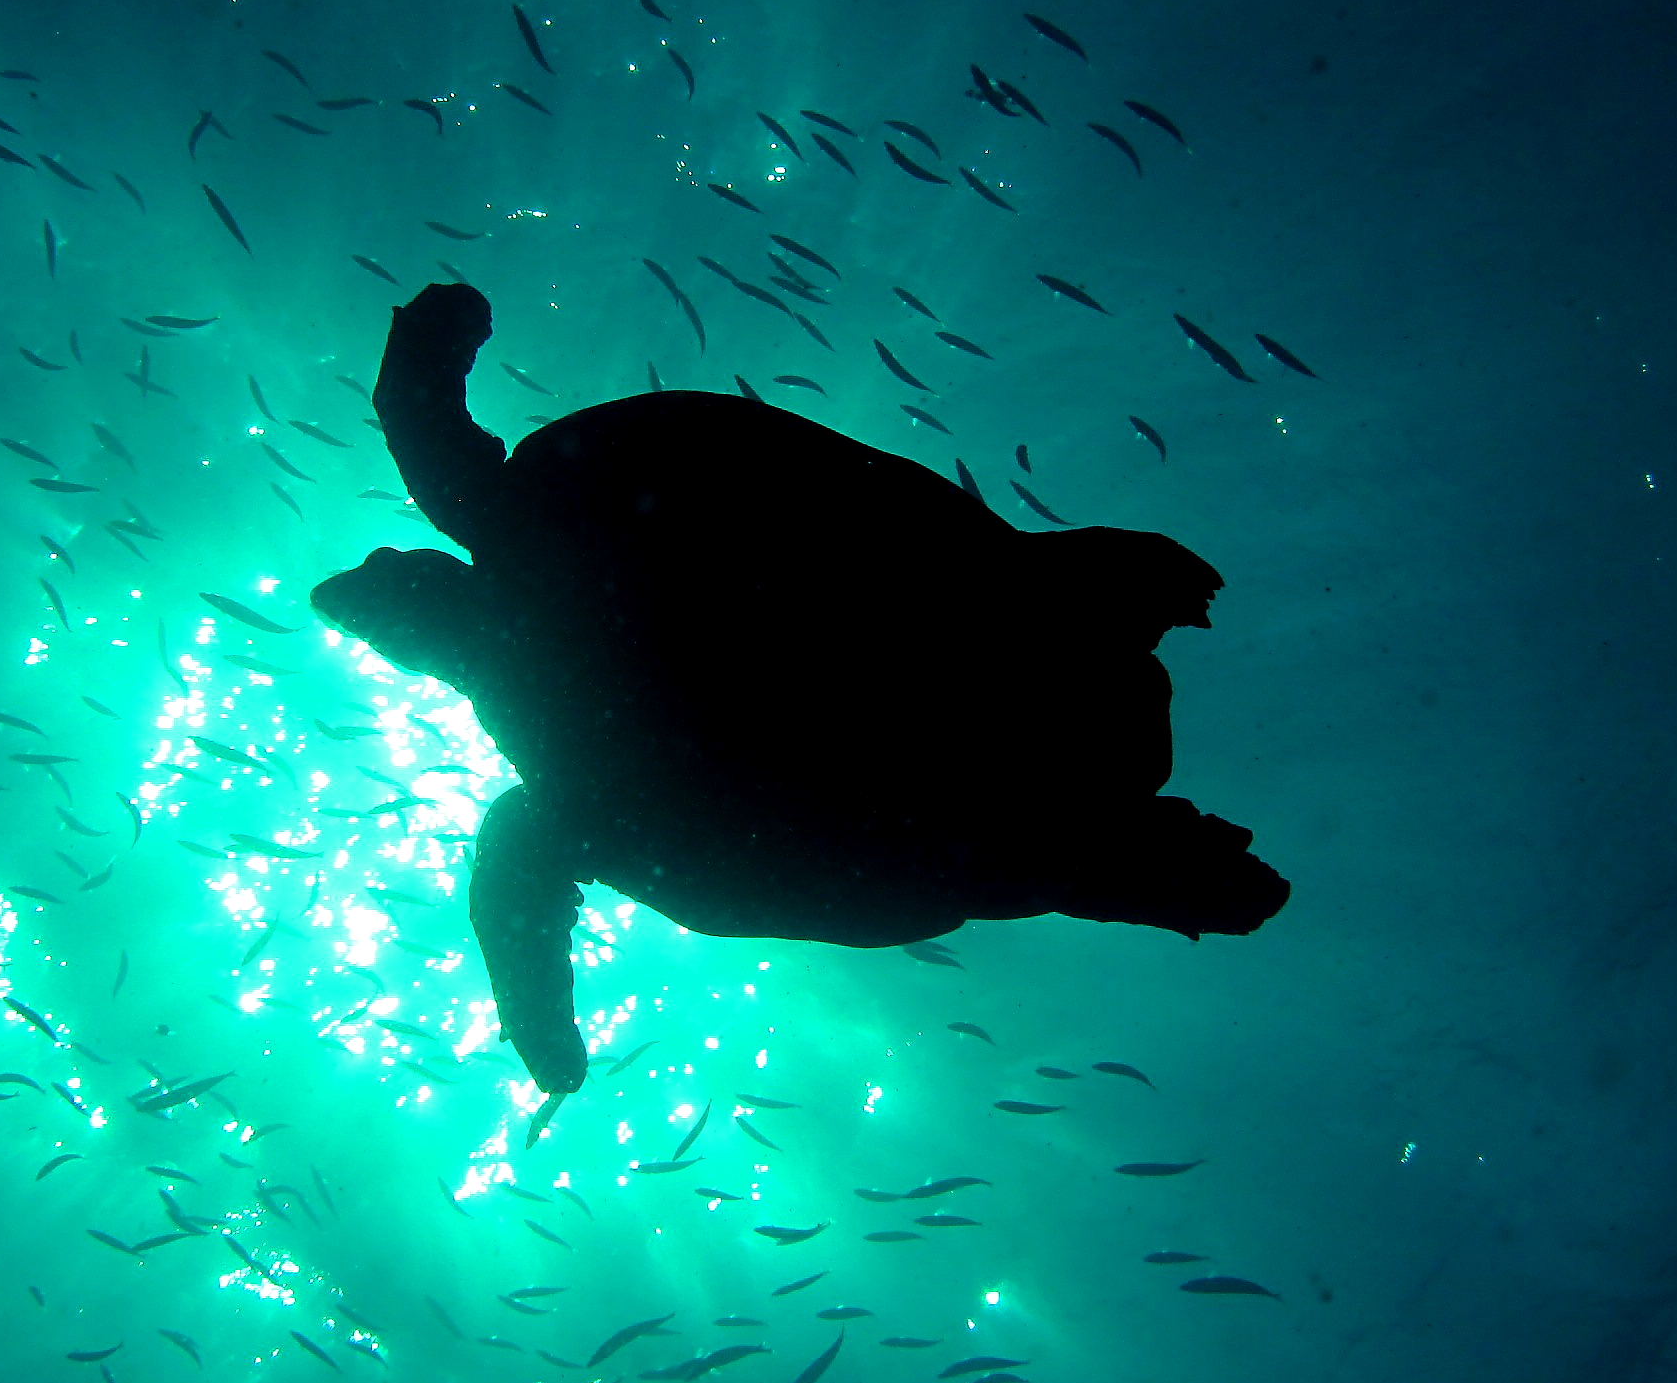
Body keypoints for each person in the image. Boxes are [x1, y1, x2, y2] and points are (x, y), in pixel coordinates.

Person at [313, 284, 1289, 1093]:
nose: (390, 574)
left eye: (384, 577)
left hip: (944, 692)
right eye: (386, 576)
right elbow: (421, 422)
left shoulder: (545, 792)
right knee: (1002, 781)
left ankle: (1095, 846)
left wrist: (544, 1040)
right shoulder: (514, 534)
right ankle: (1095, 848)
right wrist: (420, 367)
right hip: (944, 707)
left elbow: (515, 899)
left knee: (999, 777)